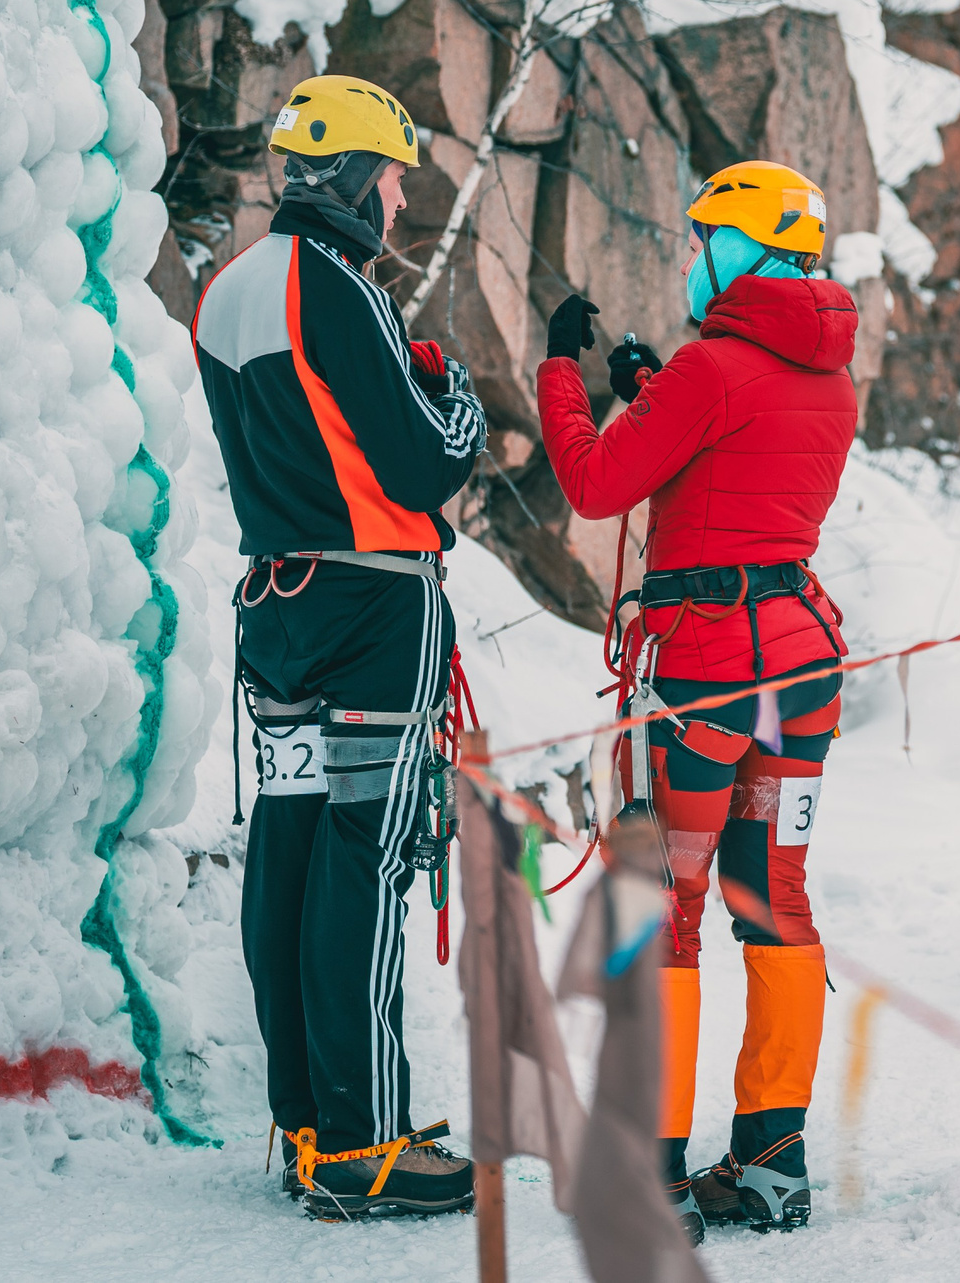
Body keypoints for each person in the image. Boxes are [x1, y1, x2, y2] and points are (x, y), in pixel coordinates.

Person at [538, 160, 859, 1241]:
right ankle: (773, 1163)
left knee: (670, 907)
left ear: (741, 248)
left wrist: (560, 377)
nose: (687, 256)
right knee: (773, 896)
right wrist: (651, 382)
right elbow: (728, 457)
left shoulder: (713, 367)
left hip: (708, 674)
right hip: (798, 670)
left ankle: (658, 1171)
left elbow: (596, 483)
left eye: (697, 239)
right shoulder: (829, 371)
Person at [192, 76, 488, 1219]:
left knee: (294, 846)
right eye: (398, 177)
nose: (403, 203)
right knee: (365, 861)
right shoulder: (340, 287)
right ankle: (365, 1144)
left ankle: (312, 1122)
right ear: (359, 177)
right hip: (374, 608)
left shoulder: (229, 291)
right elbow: (428, 463)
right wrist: (446, 382)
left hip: (277, 606)